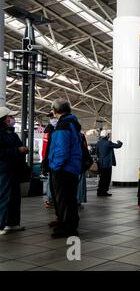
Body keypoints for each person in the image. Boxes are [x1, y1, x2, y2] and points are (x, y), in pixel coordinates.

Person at [48, 98, 83, 238]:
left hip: (64, 169)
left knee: (63, 199)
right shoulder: (72, 122)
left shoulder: (63, 125)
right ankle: (69, 224)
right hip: (72, 167)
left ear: (55, 110)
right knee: (69, 198)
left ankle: (68, 228)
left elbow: (62, 150)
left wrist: (55, 167)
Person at [0, 107, 28, 236]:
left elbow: (18, 146)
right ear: (4, 119)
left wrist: (23, 150)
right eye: (10, 117)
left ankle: (12, 223)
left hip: (13, 170)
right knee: (4, 197)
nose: (13, 119)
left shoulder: (12, 133)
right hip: (4, 170)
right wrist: (18, 150)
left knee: (14, 197)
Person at [95, 130, 123, 197]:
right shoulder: (108, 143)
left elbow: (97, 153)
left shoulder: (98, 143)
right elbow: (118, 146)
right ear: (107, 135)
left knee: (102, 178)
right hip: (107, 164)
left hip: (101, 164)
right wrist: (120, 142)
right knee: (107, 179)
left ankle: (99, 191)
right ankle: (104, 192)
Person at [41, 113, 58, 209]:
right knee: (52, 180)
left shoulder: (47, 131)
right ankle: (50, 199)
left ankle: (50, 199)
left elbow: (44, 148)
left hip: (49, 159)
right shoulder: (51, 131)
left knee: (50, 180)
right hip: (52, 159)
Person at [77, 132, 90, 209]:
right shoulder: (81, 135)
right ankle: (78, 201)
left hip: (69, 164)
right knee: (80, 182)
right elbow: (85, 150)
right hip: (80, 163)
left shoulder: (64, 133)